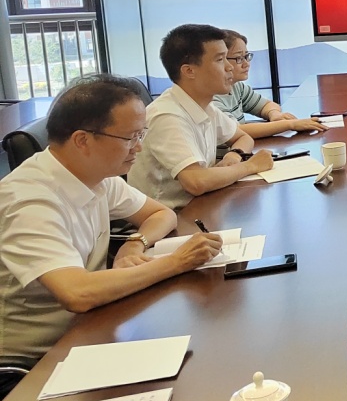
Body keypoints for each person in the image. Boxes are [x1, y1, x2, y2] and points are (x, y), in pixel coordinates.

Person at [0, 76, 223, 385]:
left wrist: (135, 243)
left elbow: (161, 214)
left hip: (92, 326)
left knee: (203, 354)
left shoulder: (95, 174)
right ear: (82, 140)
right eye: (130, 137)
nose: (139, 147)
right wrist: (176, 262)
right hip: (33, 364)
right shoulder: (29, 201)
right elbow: (77, 293)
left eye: (141, 134)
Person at [129, 24, 274, 209]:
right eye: (220, 59)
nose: (230, 67)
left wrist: (234, 156)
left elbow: (242, 137)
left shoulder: (204, 105)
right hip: (171, 217)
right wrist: (250, 166)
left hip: (202, 206)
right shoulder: (166, 115)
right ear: (189, 71)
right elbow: (196, 182)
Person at [214, 30, 326, 142]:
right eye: (239, 58)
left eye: (246, 56)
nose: (246, 64)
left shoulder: (237, 87)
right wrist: (290, 124)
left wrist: (274, 114)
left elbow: (266, 105)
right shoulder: (211, 98)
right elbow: (236, 132)